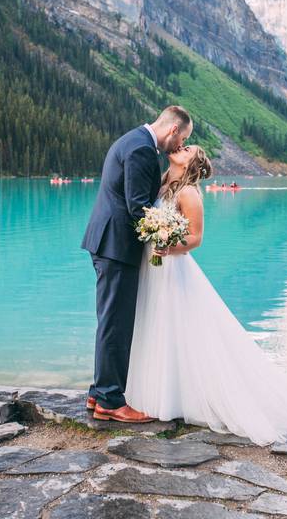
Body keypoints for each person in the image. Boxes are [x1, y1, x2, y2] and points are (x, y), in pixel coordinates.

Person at [124, 145, 287, 444]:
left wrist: (169, 247)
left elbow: (195, 238)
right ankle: (155, 393)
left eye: (187, 149)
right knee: (156, 326)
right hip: (154, 267)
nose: (180, 148)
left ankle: (177, 399)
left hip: (172, 268)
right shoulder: (164, 183)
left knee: (176, 328)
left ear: (192, 163)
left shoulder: (189, 194)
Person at [81, 106, 193, 422]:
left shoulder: (131, 139)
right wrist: (166, 231)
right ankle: (110, 402)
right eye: (182, 139)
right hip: (117, 246)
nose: (180, 146)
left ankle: (98, 393)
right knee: (116, 324)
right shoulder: (143, 150)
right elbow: (137, 207)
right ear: (173, 130)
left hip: (108, 243)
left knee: (110, 320)